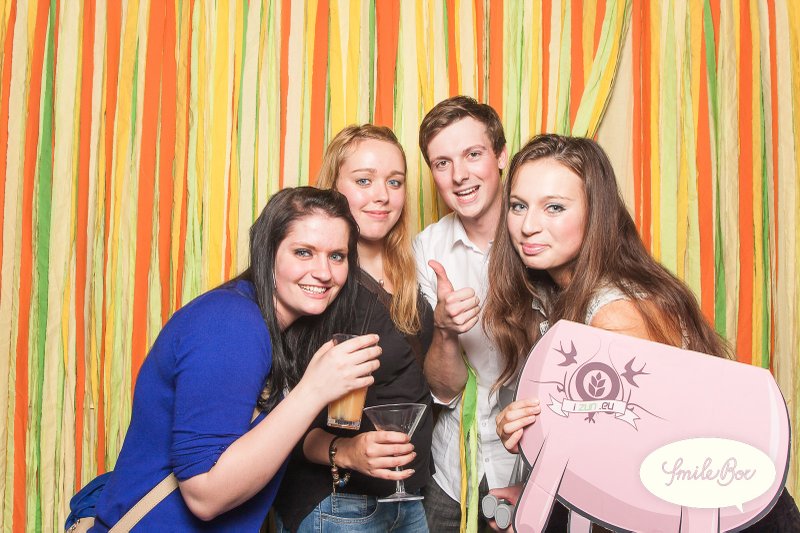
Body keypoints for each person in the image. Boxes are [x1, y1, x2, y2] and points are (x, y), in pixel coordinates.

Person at [483, 133, 800, 532]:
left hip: (734, 518)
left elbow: (631, 475)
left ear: (595, 214)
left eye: (555, 207)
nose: (528, 226)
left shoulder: (617, 314)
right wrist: (534, 438)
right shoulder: (555, 294)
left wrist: (544, 452)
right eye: (518, 206)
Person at [90, 187, 381, 531]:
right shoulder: (232, 322)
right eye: (303, 252)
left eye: (337, 256)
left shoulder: (277, 332)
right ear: (267, 253)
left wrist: (342, 447)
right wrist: (314, 390)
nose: (324, 272)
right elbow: (205, 496)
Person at [273, 125, 434, 532]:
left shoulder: (408, 273)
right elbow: (281, 414)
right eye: (364, 181)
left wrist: (448, 330)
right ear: (333, 188)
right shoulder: (320, 281)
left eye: (394, 182)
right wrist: (345, 450)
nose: (382, 195)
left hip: (406, 498)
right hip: (339, 503)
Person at [412, 95, 514, 532]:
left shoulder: (543, 234)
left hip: (533, 462)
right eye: (442, 163)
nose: (459, 175)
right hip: (454, 466)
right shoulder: (427, 248)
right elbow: (443, 387)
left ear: (501, 155)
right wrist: (445, 330)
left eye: (473, 154)